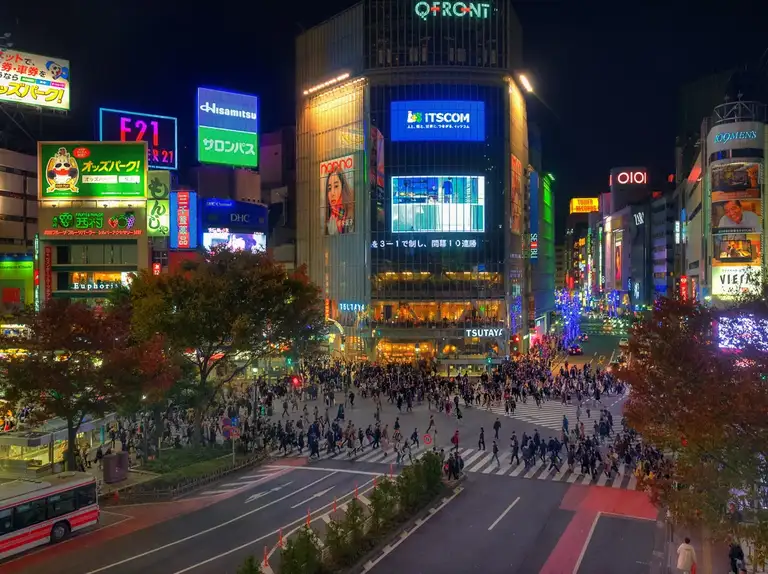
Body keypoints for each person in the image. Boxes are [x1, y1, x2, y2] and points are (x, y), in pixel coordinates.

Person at [325, 166, 353, 235]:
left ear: (343, 187)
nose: (332, 193)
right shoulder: (330, 217)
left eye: (336, 186)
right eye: (329, 188)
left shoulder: (351, 210)